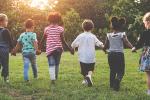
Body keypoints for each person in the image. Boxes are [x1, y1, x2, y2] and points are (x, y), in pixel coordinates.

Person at [40, 12, 74, 84]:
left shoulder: (47, 29)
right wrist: (69, 49)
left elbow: (43, 39)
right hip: (58, 49)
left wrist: (38, 48)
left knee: (51, 64)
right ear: (59, 20)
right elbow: (63, 40)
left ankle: (53, 79)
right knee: (57, 64)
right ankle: (56, 77)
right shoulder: (60, 29)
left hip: (50, 49)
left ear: (49, 20)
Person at [103, 17, 134, 91]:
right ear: (121, 26)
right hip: (119, 55)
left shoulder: (109, 35)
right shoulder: (122, 34)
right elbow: (126, 42)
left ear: (112, 26)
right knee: (121, 71)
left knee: (112, 70)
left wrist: (104, 50)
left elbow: (105, 46)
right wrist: (133, 48)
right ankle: (117, 80)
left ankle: (111, 84)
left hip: (111, 55)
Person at [71, 19, 104, 87]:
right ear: (92, 27)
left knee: (84, 70)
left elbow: (73, 44)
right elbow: (99, 43)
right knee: (90, 69)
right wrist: (104, 46)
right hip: (91, 57)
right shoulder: (93, 36)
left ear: (83, 27)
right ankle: (88, 77)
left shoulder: (80, 36)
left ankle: (86, 78)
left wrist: (75, 47)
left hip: (82, 57)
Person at [132, 12, 150, 95]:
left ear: (148, 22)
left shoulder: (145, 33)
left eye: (144, 23)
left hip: (148, 54)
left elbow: (139, 43)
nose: (144, 24)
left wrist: (134, 48)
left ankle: (149, 91)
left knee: (149, 75)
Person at [0, 13, 13, 83]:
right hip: (4, 50)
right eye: (6, 20)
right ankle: (6, 78)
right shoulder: (5, 30)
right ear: (1, 22)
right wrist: (13, 49)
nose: (7, 22)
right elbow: (10, 41)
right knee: (5, 64)